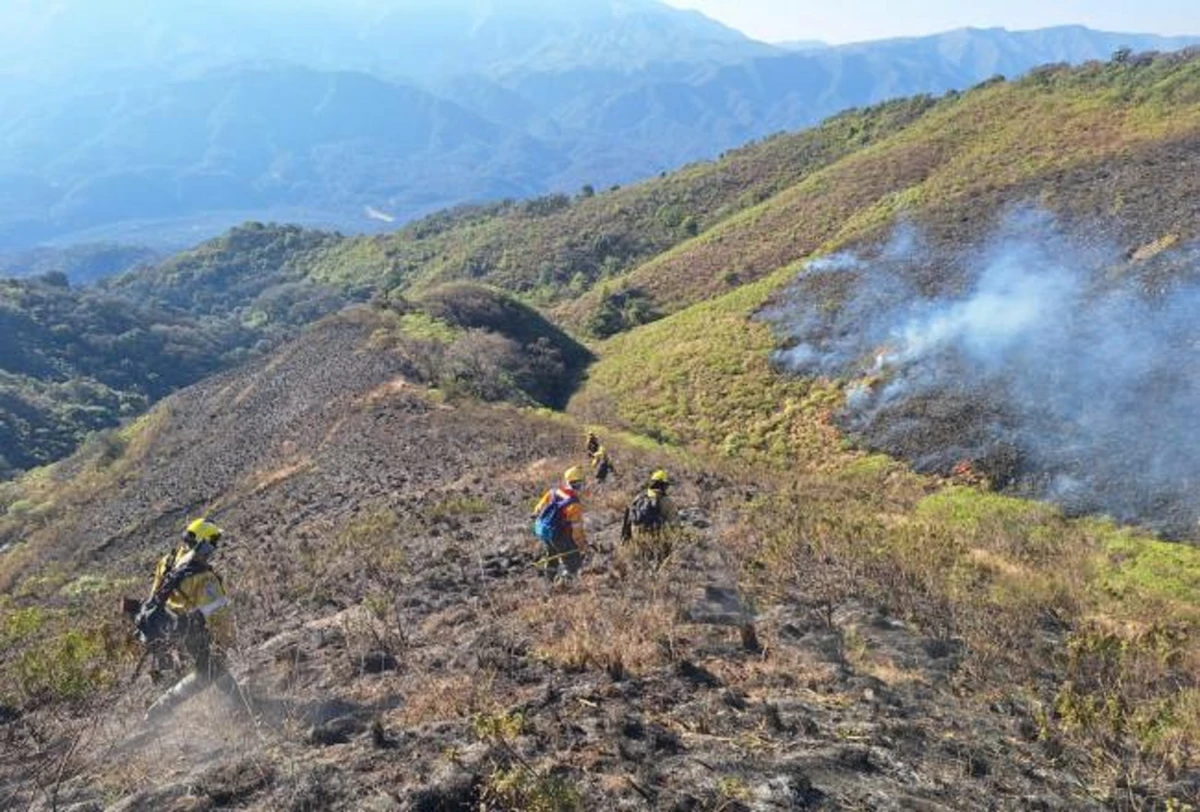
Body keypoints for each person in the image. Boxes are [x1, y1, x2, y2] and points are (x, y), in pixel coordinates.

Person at [132, 518, 241, 722]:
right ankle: (158, 711)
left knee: (211, 668)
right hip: (192, 631)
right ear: (203, 544)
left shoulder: (168, 561)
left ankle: (240, 703)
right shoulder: (203, 578)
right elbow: (218, 615)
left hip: (167, 629)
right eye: (212, 543)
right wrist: (227, 642)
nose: (214, 549)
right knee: (208, 671)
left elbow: (154, 594)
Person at [531, 466, 588, 583]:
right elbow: (577, 530)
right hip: (560, 535)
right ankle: (564, 585)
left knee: (551, 556)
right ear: (580, 484)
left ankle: (549, 580)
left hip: (546, 532)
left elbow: (537, 509)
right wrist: (581, 545)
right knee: (573, 562)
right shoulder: (573, 504)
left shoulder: (553, 492)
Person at [620, 469, 680, 563]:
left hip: (637, 538)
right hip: (655, 540)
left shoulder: (638, 497)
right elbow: (674, 524)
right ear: (663, 485)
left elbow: (628, 520)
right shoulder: (666, 501)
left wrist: (625, 540)